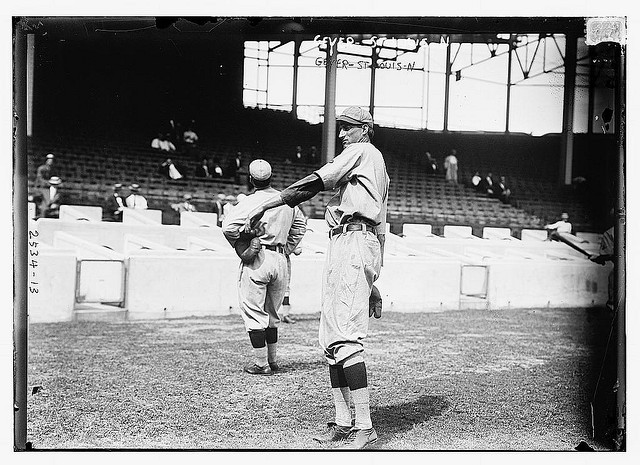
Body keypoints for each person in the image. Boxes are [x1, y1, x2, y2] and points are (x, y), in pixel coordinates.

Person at [244, 106, 389, 449]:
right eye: (340, 128)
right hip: (349, 242)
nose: (341, 134)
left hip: (354, 239)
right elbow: (381, 224)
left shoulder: (363, 151)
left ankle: (365, 426)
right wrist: (373, 277)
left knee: (345, 337)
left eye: (348, 127)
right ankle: (343, 421)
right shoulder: (371, 162)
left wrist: (267, 204)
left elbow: (313, 183)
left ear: (365, 129)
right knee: (330, 340)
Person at [222, 159, 306, 376]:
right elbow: (301, 225)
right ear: (271, 177)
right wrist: (288, 247)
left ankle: (261, 364)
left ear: (251, 180)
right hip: (280, 258)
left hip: (258, 256)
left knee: (254, 312)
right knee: (271, 314)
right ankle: (272, 360)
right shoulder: (286, 201)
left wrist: (244, 239)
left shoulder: (248, 202)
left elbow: (228, 227)